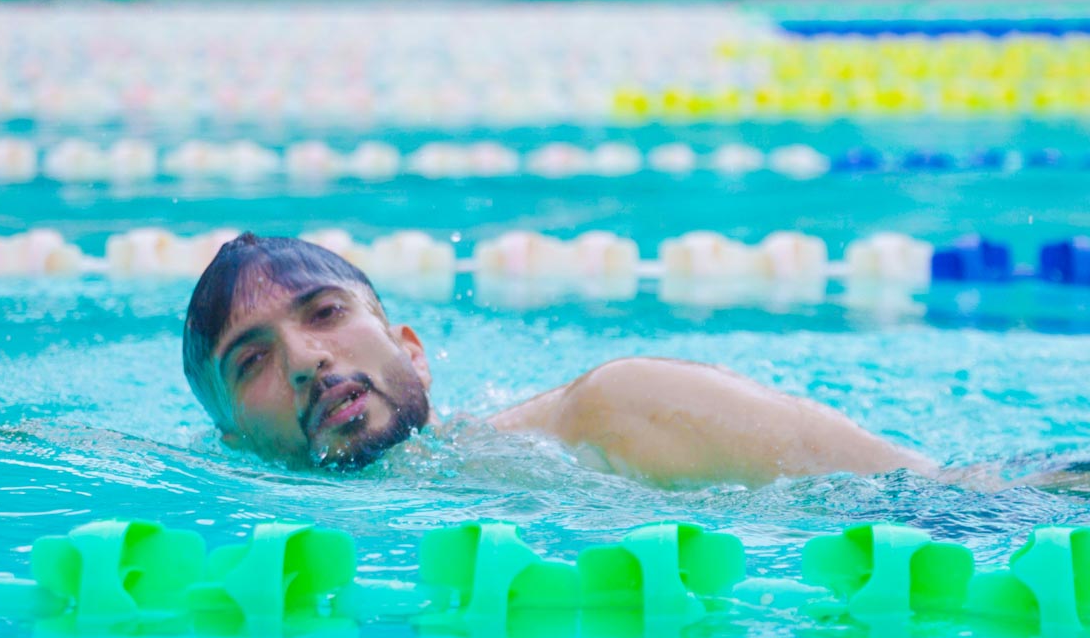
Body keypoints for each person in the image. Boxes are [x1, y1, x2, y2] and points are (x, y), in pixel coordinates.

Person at [182, 231, 935, 487]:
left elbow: (951, 503)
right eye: (253, 362)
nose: (309, 360)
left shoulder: (613, 411)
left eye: (325, 314)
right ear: (232, 443)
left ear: (411, 349)